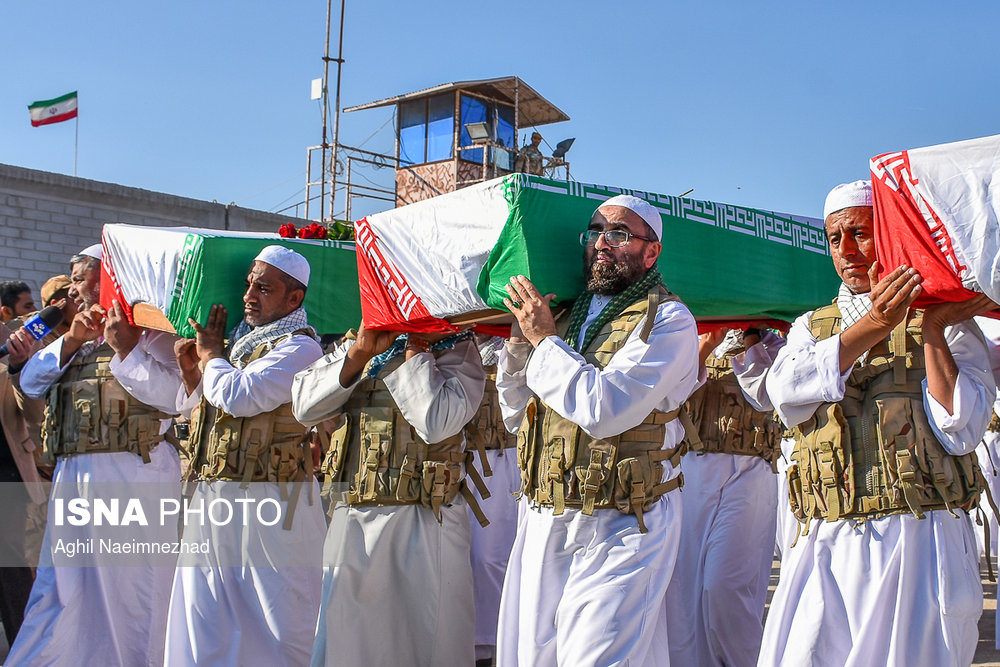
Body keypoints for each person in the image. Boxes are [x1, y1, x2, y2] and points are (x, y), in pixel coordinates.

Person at [758, 181, 997, 667]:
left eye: (860, 234)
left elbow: (962, 426)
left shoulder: (949, 324)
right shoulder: (812, 326)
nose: (846, 251)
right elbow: (785, 393)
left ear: (889, 236)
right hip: (827, 538)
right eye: (834, 238)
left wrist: (930, 328)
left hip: (921, 538)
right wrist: (875, 325)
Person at [495, 194, 700, 666]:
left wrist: (543, 341)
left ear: (652, 253)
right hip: (548, 514)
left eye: (619, 234)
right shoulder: (562, 317)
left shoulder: (668, 319)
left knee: (597, 657)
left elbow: (606, 408)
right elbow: (517, 414)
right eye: (595, 233)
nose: (602, 244)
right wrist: (519, 345)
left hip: (625, 521)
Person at [142, 245, 326, 666]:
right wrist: (195, 371)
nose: (249, 294)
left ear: (293, 299)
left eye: (264, 287)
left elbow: (241, 396)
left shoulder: (301, 348)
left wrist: (210, 358)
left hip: (273, 504)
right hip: (214, 500)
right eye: (248, 284)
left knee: (279, 626)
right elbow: (202, 411)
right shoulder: (240, 346)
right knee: (204, 618)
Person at [6, 244, 182, 666]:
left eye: (82, 278)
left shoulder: (151, 328)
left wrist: (125, 348)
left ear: (109, 278)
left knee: (135, 593)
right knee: (60, 589)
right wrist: (71, 340)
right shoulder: (74, 335)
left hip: (135, 478)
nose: (74, 288)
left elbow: (175, 397)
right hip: (75, 478)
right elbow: (30, 383)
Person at [292, 319, 486, 666]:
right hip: (351, 520)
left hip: (423, 522)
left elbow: (437, 421)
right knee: (347, 644)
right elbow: (304, 408)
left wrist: (417, 349)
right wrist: (358, 354)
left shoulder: (458, 349)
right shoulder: (363, 344)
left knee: (423, 644)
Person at [664, 326, 781, 667]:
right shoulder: (687, 334)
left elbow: (767, 396)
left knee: (724, 587)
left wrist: (750, 342)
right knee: (685, 594)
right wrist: (702, 349)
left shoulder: (776, 341)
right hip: (691, 471)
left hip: (750, 472)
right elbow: (666, 398)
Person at [466, 336, 520, 667]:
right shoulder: (457, 343)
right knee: (472, 559)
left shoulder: (513, 342)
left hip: (507, 459)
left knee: (494, 556)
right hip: (463, 464)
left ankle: (498, 645)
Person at [0, 324, 47, 647]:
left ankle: (24, 651)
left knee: (13, 574)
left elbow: (35, 413)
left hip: (8, 481)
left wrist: (19, 367)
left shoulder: (12, 341)